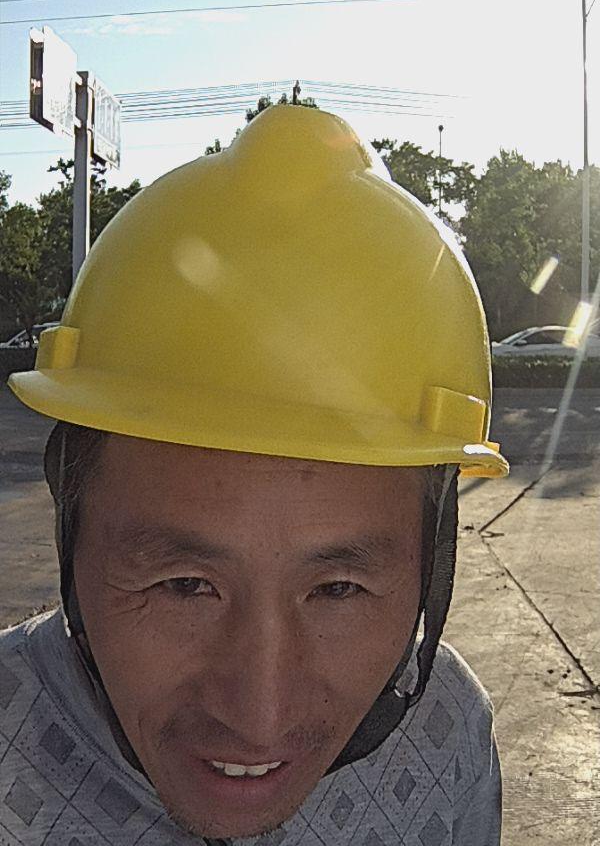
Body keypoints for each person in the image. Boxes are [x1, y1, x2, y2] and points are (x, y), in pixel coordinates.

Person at [1, 104, 508, 845]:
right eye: (183, 585)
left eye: (338, 589)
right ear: (72, 536)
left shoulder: (448, 735)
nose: (258, 716)